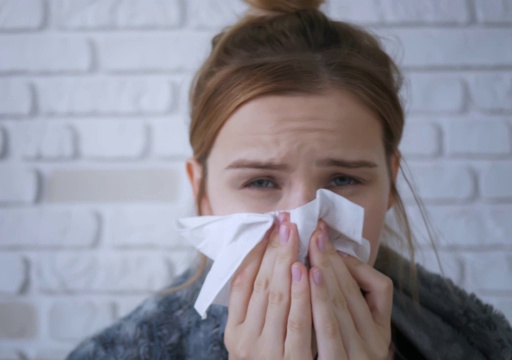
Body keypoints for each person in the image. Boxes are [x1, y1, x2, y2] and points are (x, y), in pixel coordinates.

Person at [67, 0, 512, 359]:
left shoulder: (484, 345)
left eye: (342, 179)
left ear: (391, 184)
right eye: (261, 182)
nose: (304, 225)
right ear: (201, 191)